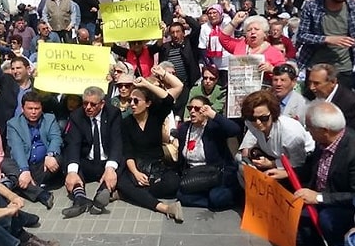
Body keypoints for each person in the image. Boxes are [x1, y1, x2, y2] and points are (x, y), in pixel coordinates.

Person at [295, 101, 355, 246]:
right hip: (317, 194)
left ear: (324, 130)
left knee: (325, 219)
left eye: (310, 128)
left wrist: (319, 198)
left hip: (340, 205)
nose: (308, 132)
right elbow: (312, 168)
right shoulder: (322, 142)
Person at [120, 66, 184, 222]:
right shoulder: (126, 122)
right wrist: (135, 172)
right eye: (130, 101)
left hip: (157, 167)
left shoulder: (156, 115)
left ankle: (127, 194)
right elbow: (127, 151)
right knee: (123, 182)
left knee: (174, 183)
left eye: (136, 101)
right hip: (137, 166)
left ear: (147, 103)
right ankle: (165, 208)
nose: (132, 104)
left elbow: (170, 97)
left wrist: (147, 85)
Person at [61, 87, 123, 218]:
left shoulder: (113, 114)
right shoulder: (76, 116)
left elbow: (117, 142)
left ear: (102, 103)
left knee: (120, 161)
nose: (88, 107)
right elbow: (74, 144)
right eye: (85, 103)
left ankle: (101, 195)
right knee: (69, 159)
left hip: (106, 160)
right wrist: (72, 172)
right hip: (88, 161)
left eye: (93, 104)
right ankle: (80, 199)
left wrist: (110, 168)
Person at [176, 96, 240, 210]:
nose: (192, 111)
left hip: (216, 174)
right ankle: (209, 200)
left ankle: (223, 196)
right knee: (181, 195)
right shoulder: (185, 128)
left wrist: (213, 115)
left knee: (216, 198)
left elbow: (235, 130)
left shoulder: (214, 127)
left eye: (197, 109)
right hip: (196, 175)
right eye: (190, 108)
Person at [2, 92, 61, 209]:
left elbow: (56, 138)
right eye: (30, 108)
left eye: (37, 108)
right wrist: (24, 170)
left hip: (43, 165)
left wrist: (50, 154)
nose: (33, 112)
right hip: (25, 164)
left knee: (58, 158)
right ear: (22, 108)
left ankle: (20, 185)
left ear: (41, 108)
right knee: (6, 164)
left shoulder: (50, 119)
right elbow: (16, 148)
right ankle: (41, 193)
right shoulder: (13, 124)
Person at [237, 90, 315, 179]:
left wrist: (272, 164)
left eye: (263, 118)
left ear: (273, 113)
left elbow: (298, 162)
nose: (258, 123)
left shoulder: (291, 133)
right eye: (252, 118)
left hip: (302, 161)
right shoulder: (250, 123)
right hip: (273, 156)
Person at [220, 13, 287, 75]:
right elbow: (223, 38)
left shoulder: (274, 52)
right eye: (249, 30)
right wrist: (234, 21)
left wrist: (272, 69)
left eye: (256, 29)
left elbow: (284, 74)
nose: (252, 32)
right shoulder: (240, 45)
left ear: (265, 34)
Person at [307, 63, 355, 129]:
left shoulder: (350, 103)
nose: (311, 87)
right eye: (310, 82)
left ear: (333, 82)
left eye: (316, 83)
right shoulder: (309, 94)